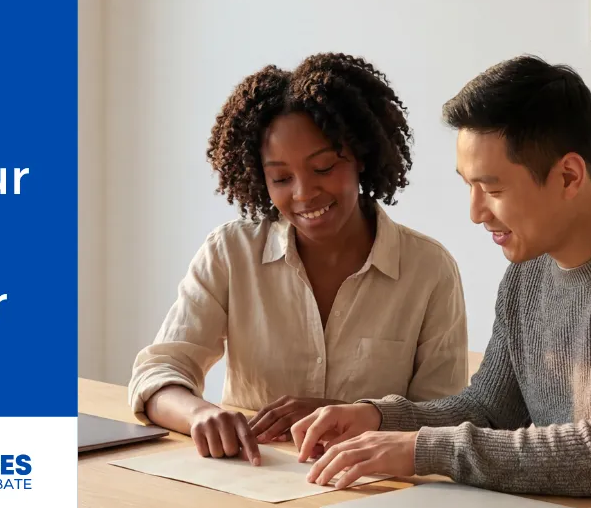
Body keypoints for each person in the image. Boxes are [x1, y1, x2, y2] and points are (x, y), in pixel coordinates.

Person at [292, 55, 591, 507]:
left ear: (568, 176)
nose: (476, 212)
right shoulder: (527, 274)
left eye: (493, 188)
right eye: (469, 185)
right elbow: (490, 409)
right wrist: (379, 417)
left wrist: (422, 449)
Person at [129, 53, 469, 466]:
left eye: (323, 168)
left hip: (375, 487)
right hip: (250, 482)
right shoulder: (230, 254)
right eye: (281, 178)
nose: (304, 193)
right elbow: (158, 373)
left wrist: (349, 415)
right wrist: (200, 413)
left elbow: (447, 418)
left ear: (360, 157)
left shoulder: (428, 269)